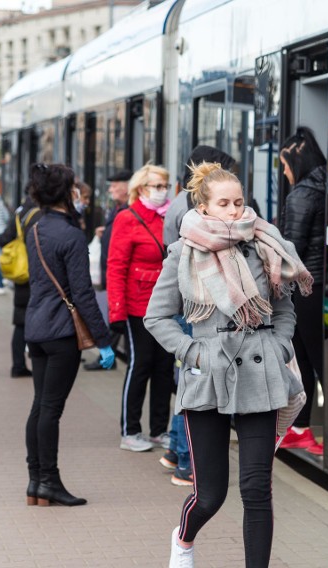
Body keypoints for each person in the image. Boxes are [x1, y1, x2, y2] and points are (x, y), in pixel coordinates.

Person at [144, 161, 312, 568]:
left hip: (261, 374)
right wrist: (194, 353)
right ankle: (183, 540)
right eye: (224, 203)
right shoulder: (183, 253)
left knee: (257, 489)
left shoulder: (265, 244)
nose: (235, 211)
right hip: (208, 377)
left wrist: (280, 346)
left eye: (239, 202)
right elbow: (156, 317)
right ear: (204, 207)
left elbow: (284, 304)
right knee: (211, 495)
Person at [24, 163, 114, 507]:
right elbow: (83, 294)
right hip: (62, 332)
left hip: (36, 327)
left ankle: (35, 481)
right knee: (51, 409)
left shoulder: (34, 227)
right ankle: (49, 481)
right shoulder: (71, 235)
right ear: (67, 193)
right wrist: (103, 341)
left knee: (39, 407)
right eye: (74, 187)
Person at [160, 146, 238, 487]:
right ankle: (188, 465)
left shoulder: (179, 203)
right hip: (197, 316)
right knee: (195, 388)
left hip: (190, 314)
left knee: (189, 384)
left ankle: (177, 453)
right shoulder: (192, 217)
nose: (233, 208)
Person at [107, 163, 175, 452]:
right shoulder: (128, 218)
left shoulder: (171, 217)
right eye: (155, 186)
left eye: (164, 186)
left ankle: (159, 429)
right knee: (140, 364)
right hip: (138, 306)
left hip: (167, 305)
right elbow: (116, 266)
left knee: (164, 367)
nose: (161, 192)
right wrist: (116, 311)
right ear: (140, 189)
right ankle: (130, 430)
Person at [278, 126, 327, 455]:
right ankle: (300, 428)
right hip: (321, 286)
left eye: (285, 164)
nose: (284, 171)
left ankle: (319, 429)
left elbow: (290, 250)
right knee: (307, 358)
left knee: (310, 360)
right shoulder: (325, 186)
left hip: (304, 290)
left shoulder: (301, 195)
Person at [0, 188, 41, 378]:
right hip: (36, 274)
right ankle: (36, 360)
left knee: (21, 322)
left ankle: (18, 364)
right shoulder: (40, 215)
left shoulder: (20, 213)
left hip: (21, 274)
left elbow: (4, 239)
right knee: (38, 318)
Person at [97, 169, 132, 289]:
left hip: (122, 279)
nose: (110, 190)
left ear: (127, 188)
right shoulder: (116, 208)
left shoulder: (132, 211)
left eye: (114, 186)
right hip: (111, 275)